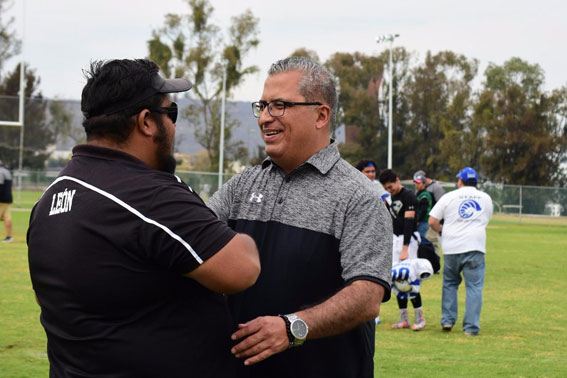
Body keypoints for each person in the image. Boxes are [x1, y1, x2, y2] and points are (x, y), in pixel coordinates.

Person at [27, 59, 261, 378]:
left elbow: (50, 297)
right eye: (172, 113)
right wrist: (245, 234)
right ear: (147, 122)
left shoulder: (50, 198)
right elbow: (242, 270)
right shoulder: (150, 195)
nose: (174, 127)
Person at [207, 56, 392, 378]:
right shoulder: (242, 185)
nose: (265, 117)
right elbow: (192, 243)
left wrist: (293, 328)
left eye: (279, 106)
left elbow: (367, 295)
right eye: (262, 106)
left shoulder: (359, 196)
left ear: (321, 115)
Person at [428, 167, 493, 336]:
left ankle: (448, 320)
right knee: (474, 287)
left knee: (450, 283)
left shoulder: (449, 197)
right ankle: (471, 327)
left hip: (452, 246)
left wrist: (442, 230)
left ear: (460, 181)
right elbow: (487, 219)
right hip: (475, 245)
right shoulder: (485, 198)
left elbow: (432, 220)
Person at [378, 169, 427, 331]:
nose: (389, 190)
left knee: (409, 277)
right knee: (397, 279)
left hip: (408, 241)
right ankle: (403, 318)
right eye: (386, 188)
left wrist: (405, 249)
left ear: (397, 180)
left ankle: (420, 317)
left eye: (390, 187)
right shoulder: (390, 198)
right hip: (394, 240)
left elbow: (408, 224)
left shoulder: (409, 197)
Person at [414, 169, 445, 255]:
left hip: (431, 221)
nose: (416, 185)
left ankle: (435, 264)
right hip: (427, 221)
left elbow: (441, 204)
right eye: (415, 182)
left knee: (430, 243)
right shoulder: (420, 192)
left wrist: (441, 221)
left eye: (418, 182)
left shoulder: (433, 189)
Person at [0, 159, 13, 243]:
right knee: (7, 218)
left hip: (1, 199)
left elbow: (0, 187)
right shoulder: (7, 171)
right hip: (8, 198)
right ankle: (9, 237)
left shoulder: (0, 172)